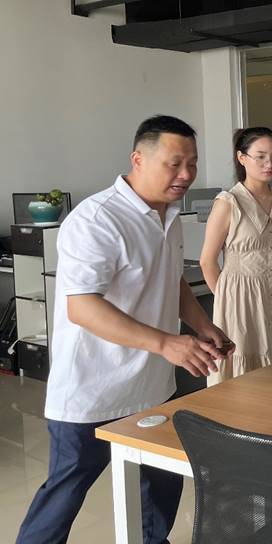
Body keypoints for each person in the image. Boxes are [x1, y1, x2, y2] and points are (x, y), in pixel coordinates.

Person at [17, 115, 232, 543]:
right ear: (138, 159)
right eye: (174, 163)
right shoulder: (97, 219)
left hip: (152, 386)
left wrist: (203, 325)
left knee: (161, 484)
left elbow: (170, 280)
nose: (186, 174)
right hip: (92, 390)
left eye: (192, 163)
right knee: (65, 492)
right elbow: (82, 307)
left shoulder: (169, 215)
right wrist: (166, 342)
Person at [200, 127, 272, 386]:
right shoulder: (229, 202)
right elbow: (207, 261)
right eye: (261, 156)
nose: (269, 164)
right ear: (242, 158)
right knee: (241, 365)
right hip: (237, 295)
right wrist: (226, 299)